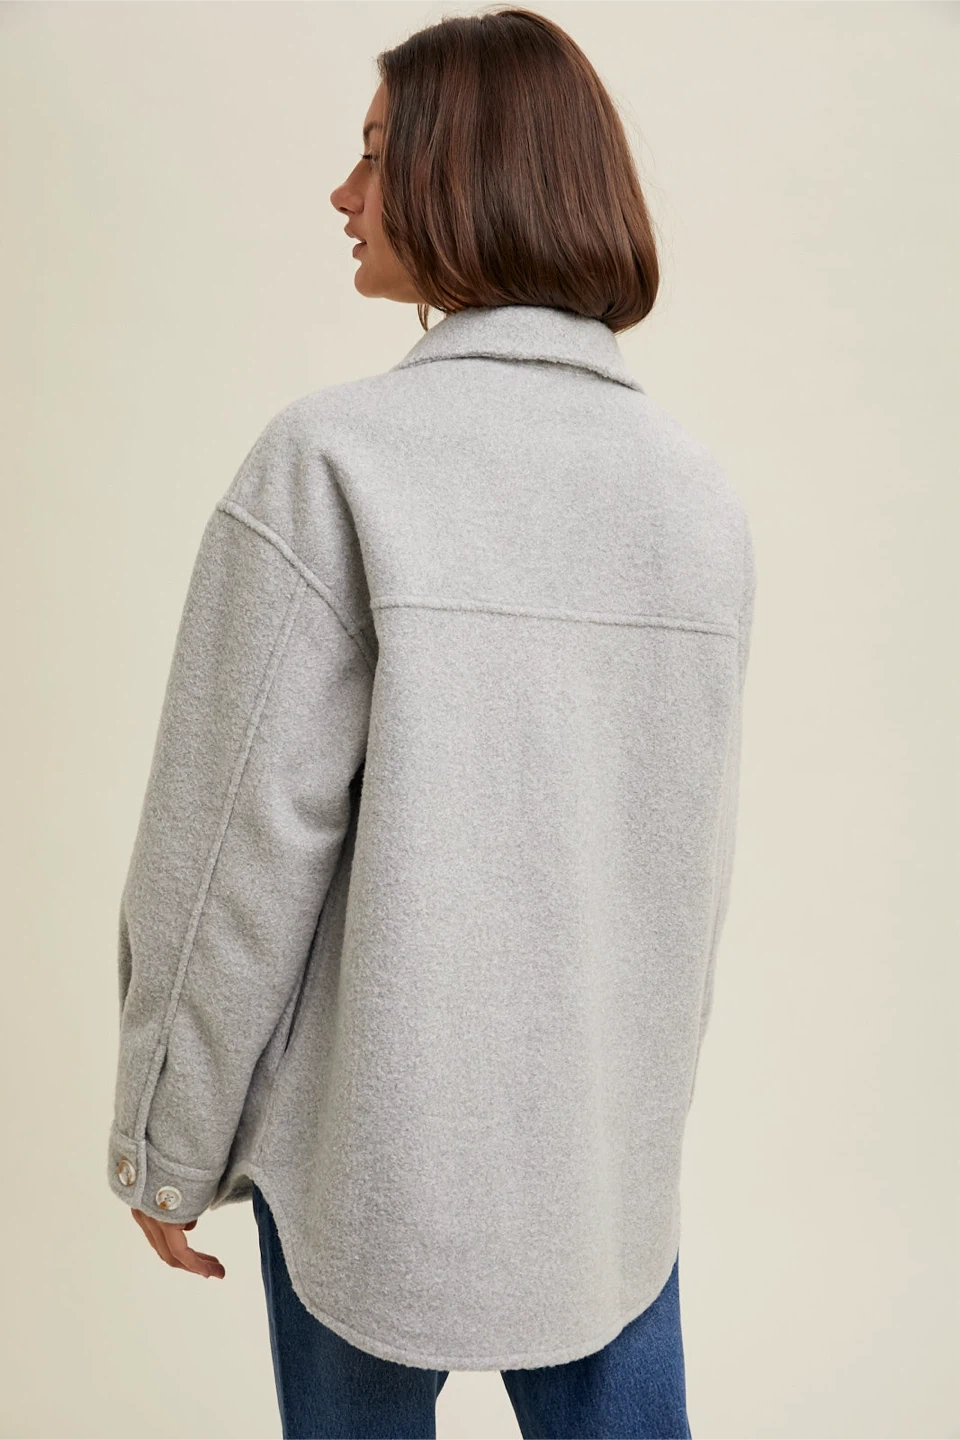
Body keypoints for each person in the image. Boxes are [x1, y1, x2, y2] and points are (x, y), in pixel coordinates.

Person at [106, 7, 757, 1437]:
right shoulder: (695, 496)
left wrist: (165, 1139)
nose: (342, 193)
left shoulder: (334, 462)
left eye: (376, 154)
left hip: (369, 1160)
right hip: (600, 1176)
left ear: (472, 175)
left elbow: (228, 853)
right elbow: (684, 875)